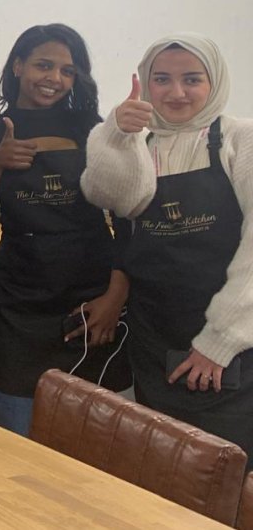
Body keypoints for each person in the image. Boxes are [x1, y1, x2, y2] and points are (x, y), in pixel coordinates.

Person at [82, 33, 253, 459]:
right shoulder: (144, 142)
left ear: (214, 82)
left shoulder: (241, 140)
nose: (176, 93)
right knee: (158, 465)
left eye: (192, 79)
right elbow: (111, 197)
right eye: (162, 79)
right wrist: (115, 135)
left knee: (221, 471)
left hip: (228, 346)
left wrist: (219, 343)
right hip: (154, 337)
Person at [0, 24, 131, 436]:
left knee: (93, 446)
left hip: (90, 304)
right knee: (18, 436)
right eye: (43, 65)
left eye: (67, 71)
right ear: (18, 66)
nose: (54, 78)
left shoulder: (93, 131)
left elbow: (128, 222)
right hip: (19, 308)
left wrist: (115, 297)